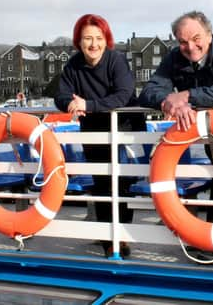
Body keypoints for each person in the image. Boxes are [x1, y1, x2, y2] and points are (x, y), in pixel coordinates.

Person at [138, 11, 213, 238]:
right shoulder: (174, 58)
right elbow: (150, 90)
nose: (190, 47)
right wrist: (168, 101)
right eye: (183, 41)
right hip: (205, 127)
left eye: (196, 38)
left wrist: (187, 96)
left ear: (209, 35)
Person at [55, 13, 145, 258]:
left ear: (106, 40)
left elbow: (124, 94)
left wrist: (89, 105)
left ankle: (122, 237)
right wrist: (70, 104)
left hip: (124, 127)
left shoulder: (116, 61)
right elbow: (60, 94)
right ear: (79, 41)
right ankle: (109, 237)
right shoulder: (73, 65)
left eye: (98, 38)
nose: (93, 44)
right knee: (102, 182)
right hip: (94, 129)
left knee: (121, 183)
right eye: (87, 39)